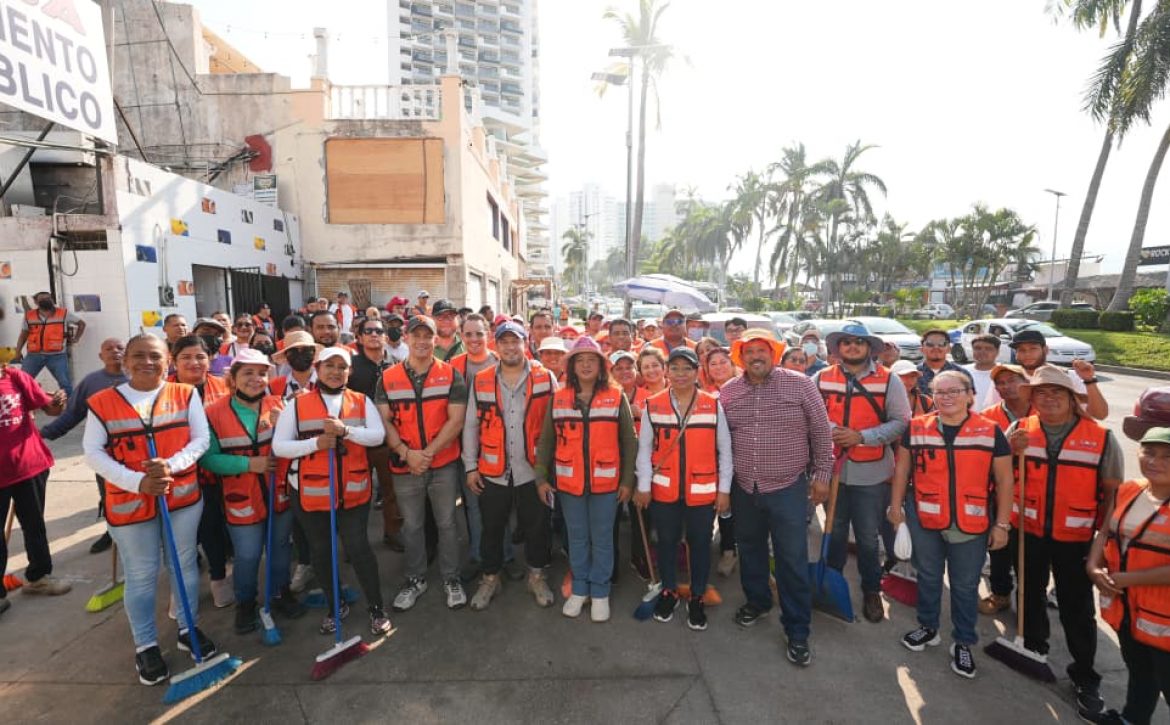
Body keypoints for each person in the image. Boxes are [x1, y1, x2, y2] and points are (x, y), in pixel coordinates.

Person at [83, 334, 214, 686]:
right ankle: (146, 645)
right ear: (125, 362)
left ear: (167, 359)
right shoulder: (102, 402)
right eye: (138, 356)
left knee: (184, 565)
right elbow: (93, 453)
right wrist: (137, 482)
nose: (147, 362)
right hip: (130, 503)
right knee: (142, 574)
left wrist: (171, 465)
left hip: (181, 498)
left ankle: (188, 628)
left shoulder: (185, 394)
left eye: (155, 356)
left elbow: (200, 439)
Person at [1006, 364, 1123, 719]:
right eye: (1041, 392)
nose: (1049, 398)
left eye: (1057, 392)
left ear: (1073, 399)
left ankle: (1085, 674)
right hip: (1027, 531)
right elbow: (999, 476)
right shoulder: (1019, 430)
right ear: (1032, 398)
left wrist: (1103, 543)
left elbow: (1113, 496)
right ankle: (1034, 646)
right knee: (1029, 592)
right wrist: (1009, 450)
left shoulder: (1101, 437)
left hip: (1076, 538)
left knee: (1077, 608)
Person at [888, 370, 1013, 679]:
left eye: (954, 391)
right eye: (940, 392)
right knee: (928, 575)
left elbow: (1004, 480)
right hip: (924, 517)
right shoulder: (917, 427)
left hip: (971, 522)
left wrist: (1002, 524)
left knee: (965, 584)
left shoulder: (990, 431)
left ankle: (963, 641)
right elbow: (902, 470)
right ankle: (928, 627)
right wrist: (896, 507)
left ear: (970, 395)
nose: (946, 397)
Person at [721, 329, 833, 666]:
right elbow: (721, 439)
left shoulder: (800, 384)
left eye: (762, 350)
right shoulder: (729, 391)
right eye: (749, 351)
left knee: (791, 558)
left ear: (773, 354)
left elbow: (821, 431)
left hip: (788, 488)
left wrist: (822, 476)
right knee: (750, 549)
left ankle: (797, 628)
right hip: (745, 488)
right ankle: (758, 602)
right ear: (740, 357)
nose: (756, 356)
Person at [271, 346, 391, 637]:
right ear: (317, 368)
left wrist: (346, 431)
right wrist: (316, 444)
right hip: (311, 492)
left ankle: (376, 607)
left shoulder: (361, 401)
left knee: (358, 548)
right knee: (321, 551)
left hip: (353, 490)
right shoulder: (296, 405)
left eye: (342, 367)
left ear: (349, 371)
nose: (336, 372)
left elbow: (377, 436)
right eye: (329, 366)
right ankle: (335, 606)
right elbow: (280, 446)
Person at [199, 349, 304, 633]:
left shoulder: (280, 405)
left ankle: (280, 592)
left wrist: (288, 424)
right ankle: (245, 603)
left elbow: (297, 444)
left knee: (281, 547)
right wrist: (248, 464)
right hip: (241, 498)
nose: (256, 379)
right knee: (247, 554)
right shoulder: (212, 413)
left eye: (261, 373)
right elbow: (207, 458)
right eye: (248, 373)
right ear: (232, 379)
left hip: (278, 492)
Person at [535, 336, 637, 622]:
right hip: (569, 485)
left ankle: (601, 591)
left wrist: (627, 481)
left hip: (607, 485)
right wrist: (541, 478)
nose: (586, 365)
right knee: (577, 538)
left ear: (601, 366)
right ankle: (580, 588)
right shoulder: (558, 398)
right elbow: (546, 441)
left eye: (592, 360)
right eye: (580, 360)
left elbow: (629, 441)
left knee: (602, 539)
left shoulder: (616, 396)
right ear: (571, 366)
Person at [815, 323, 911, 623]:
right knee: (833, 530)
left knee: (868, 538)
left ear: (869, 347)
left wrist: (862, 437)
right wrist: (833, 431)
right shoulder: (822, 377)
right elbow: (810, 414)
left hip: (871, 472)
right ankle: (830, 583)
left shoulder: (889, 380)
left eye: (859, 341)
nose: (852, 346)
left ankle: (871, 590)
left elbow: (901, 421)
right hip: (832, 469)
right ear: (838, 348)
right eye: (846, 342)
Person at [634, 348, 733, 631]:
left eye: (687, 368)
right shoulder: (653, 405)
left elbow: (725, 451)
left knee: (700, 543)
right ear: (667, 371)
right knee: (666, 541)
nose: (680, 374)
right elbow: (644, 450)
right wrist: (644, 486)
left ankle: (697, 595)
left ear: (697, 372)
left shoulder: (713, 405)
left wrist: (724, 490)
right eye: (675, 368)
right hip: (663, 490)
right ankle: (669, 591)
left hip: (702, 491)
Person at [377, 315, 469, 611]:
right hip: (405, 467)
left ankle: (451, 578)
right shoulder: (387, 377)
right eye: (415, 335)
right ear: (406, 338)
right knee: (413, 526)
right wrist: (407, 454)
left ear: (434, 339)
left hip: (443, 464)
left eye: (427, 336)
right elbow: (384, 420)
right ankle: (415, 579)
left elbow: (456, 420)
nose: (421, 341)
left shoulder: (451, 374)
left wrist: (426, 454)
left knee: (447, 523)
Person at [463, 321, 556, 610]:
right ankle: (490, 578)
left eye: (515, 341)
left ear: (525, 343)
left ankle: (536, 577)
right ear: (496, 345)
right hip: (493, 472)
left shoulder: (545, 377)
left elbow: (558, 422)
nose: (510, 347)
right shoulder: (481, 380)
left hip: (534, 472)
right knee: (491, 528)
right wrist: (470, 466)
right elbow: (471, 424)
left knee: (537, 528)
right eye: (504, 341)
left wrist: (551, 469)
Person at [1088, 426, 1170, 725]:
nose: (1155, 461)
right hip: (1128, 608)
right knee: (1139, 671)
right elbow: (1105, 531)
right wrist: (1093, 567)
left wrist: (1128, 579)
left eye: (1167, 456)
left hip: (1163, 617)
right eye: (1149, 452)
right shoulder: (1129, 490)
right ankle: (1132, 719)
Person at [41, 338, 127, 554]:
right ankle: (112, 531)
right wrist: (44, 434)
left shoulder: (138, 379)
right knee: (109, 496)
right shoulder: (91, 382)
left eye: (120, 348)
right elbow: (73, 413)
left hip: (137, 450)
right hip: (106, 452)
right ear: (100, 356)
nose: (115, 352)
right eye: (109, 349)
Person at [0, 362, 70, 619]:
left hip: (29, 464)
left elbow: (50, 409)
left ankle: (38, 576)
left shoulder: (14, 376)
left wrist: (58, 402)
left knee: (34, 524)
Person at [170, 335, 233, 608]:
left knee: (213, 526)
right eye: (186, 357)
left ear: (210, 359)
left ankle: (218, 577)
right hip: (179, 473)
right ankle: (181, 587)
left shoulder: (223, 386)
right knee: (182, 536)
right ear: (174, 361)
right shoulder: (164, 391)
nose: (194, 363)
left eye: (200, 356)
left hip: (217, 471)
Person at [977, 363, 1035, 616]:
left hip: (1035, 494)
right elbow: (980, 457)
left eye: (1012, 380)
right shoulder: (988, 416)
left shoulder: (1043, 411)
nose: (1006, 386)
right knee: (999, 546)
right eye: (1000, 383)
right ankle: (1000, 593)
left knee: (1031, 553)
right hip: (999, 492)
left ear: (1027, 383)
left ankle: (1029, 601)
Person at [447, 314, 498, 577]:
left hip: (497, 446)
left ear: (488, 334)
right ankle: (479, 556)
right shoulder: (454, 365)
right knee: (473, 504)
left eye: (479, 333)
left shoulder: (500, 361)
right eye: (468, 334)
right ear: (461, 336)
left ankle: (504, 555)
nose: (474, 339)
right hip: (465, 447)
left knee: (500, 506)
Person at [347, 318, 403, 552]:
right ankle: (355, 544)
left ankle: (393, 533)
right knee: (356, 495)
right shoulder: (350, 367)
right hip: (357, 439)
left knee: (392, 492)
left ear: (385, 336)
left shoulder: (397, 365)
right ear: (359, 337)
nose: (373, 334)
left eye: (378, 331)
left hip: (389, 439)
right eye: (368, 331)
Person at [989, 329, 1108, 421]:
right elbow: (991, 415)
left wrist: (1089, 381)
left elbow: (1100, 415)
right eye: (1022, 350)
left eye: (1033, 349)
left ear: (1045, 350)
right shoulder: (1005, 380)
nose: (1027, 354)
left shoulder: (1069, 377)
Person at [15, 292, 84, 396]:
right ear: (36, 302)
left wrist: (76, 338)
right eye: (42, 299)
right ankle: (18, 403)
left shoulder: (63, 313)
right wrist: (18, 351)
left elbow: (81, 324)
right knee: (22, 381)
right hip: (34, 355)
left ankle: (71, 405)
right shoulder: (29, 315)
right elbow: (24, 334)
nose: (46, 300)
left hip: (57, 356)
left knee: (65, 383)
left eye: (48, 298)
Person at [916, 329, 973, 396]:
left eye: (942, 344)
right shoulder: (913, 374)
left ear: (949, 349)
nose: (936, 347)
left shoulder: (962, 373)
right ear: (922, 349)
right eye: (930, 344)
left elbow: (970, 399)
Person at [270, 331, 320, 401]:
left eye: (306, 351)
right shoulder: (273, 387)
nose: (300, 355)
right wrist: (286, 402)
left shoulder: (327, 382)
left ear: (314, 353)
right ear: (286, 356)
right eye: (294, 352)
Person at [963, 333, 1000, 409]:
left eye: (988, 349)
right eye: (977, 348)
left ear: (997, 352)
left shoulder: (1005, 372)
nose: (982, 352)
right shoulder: (961, 372)